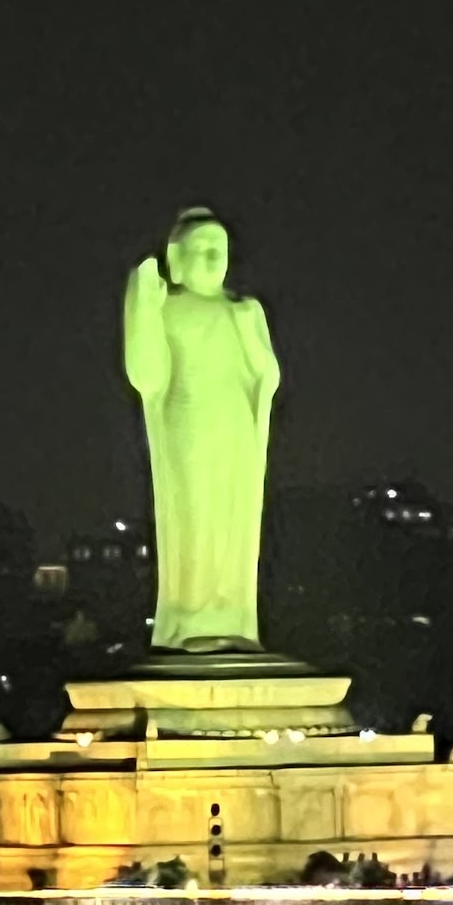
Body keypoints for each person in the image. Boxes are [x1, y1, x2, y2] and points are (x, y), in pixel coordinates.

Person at [124, 208, 280, 652]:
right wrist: (143, 307)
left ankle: (231, 613)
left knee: (233, 521)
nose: (213, 259)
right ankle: (191, 616)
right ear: (177, 258)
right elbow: (147, 374)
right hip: (188, 421)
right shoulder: (168, 309)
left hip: (235, 425)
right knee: (194, 517)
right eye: (202, 250)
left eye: (220, 251)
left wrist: (248, 328)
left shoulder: (243, 311)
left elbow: (267, 375)